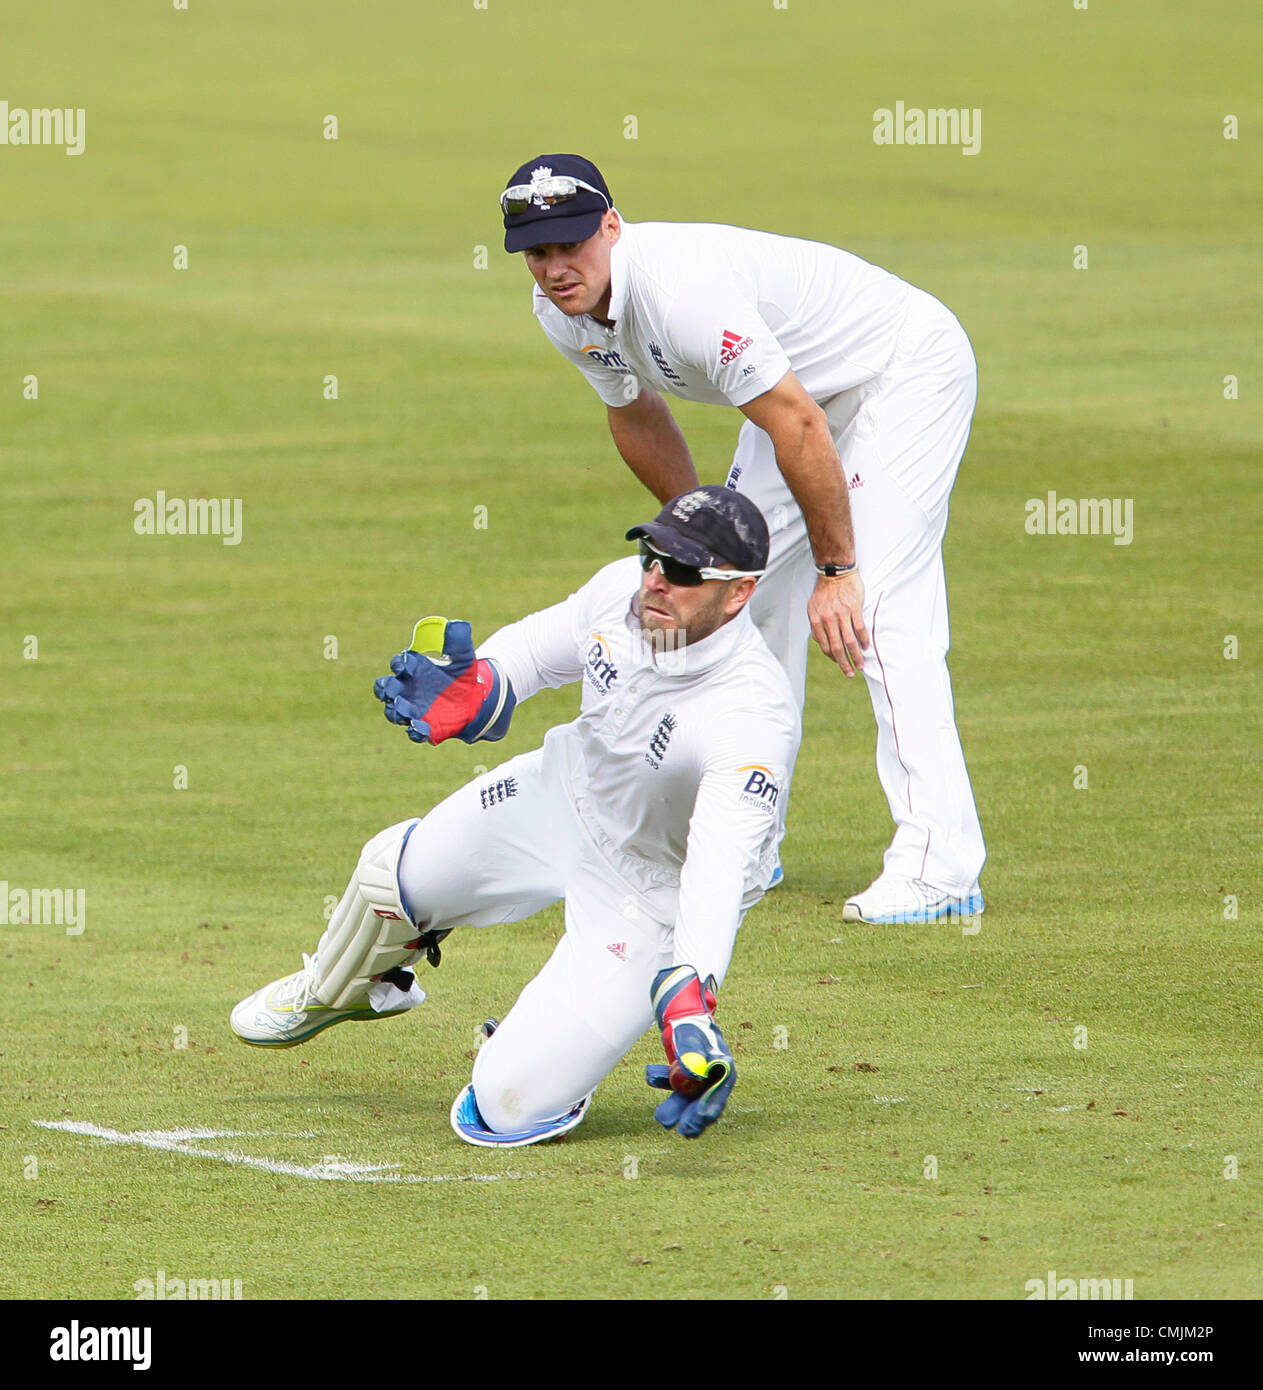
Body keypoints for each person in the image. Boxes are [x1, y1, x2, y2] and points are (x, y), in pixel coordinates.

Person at [498, 154, 985, 926]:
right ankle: (749, 842)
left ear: (612, 227)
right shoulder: (559, 311)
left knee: (875, 610)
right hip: (795, 401)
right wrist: (699, 540)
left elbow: (796, 421)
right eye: (538, 252)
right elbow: (633, 413)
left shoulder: (682, 292)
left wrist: (836, 569)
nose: (557, 268)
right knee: (736, 602)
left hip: (900, 369)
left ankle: (941, 864)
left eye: (572, 245)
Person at [230, 486, 799, 1146]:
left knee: (503, 1110)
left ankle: (559, 1057)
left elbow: (718, 863)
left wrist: (691, 995)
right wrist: (475, 687)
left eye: (681, 571)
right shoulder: (624, 593)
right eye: (651, 555)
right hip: (563, 792)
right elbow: (533, 652)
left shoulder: (752, 716)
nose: (655, 580)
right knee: (393, 877)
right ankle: (344, 986)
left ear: (738, 593)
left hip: (651, 890)